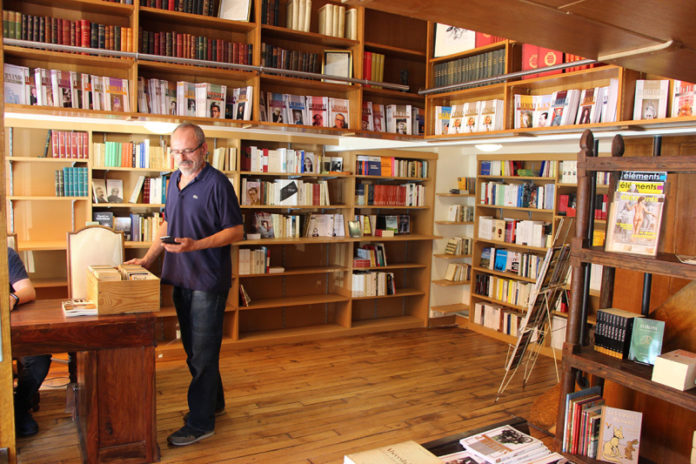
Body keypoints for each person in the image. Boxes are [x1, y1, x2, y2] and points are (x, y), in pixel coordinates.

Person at [126, 122, 243, 446]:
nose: (181, 157)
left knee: (202, 354)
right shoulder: (172, 180)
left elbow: (236, 232)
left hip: (207, 281)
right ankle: (214, 403)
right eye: (175, 151)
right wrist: (148, 259)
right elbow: (167, 223)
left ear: (204, 149)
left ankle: (200, 422)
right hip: (178, 277)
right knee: (195, 351)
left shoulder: (218, 184)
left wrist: (196, 245)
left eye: (187, 150)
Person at [9, 246, 40, 437]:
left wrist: (13, 297)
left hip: (8, 328)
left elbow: (28, 290)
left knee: (40, 357)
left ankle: (17, 408)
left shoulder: (6, 253)